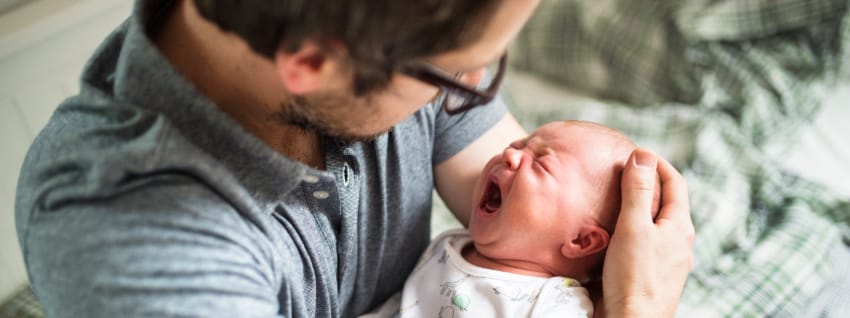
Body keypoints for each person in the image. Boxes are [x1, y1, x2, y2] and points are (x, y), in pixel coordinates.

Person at [14, 1, 694, 317]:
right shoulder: (140, 246)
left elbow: (541, 237)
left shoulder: (369, 32)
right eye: (457, 74)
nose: (477, 95)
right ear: (313, 65)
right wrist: (637, 305)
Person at [363, 120, 660, 317]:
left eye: (542, 164)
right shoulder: (450, 245)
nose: (510, 154)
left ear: (581, 240)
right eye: (519, 144)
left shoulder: (554, 305)